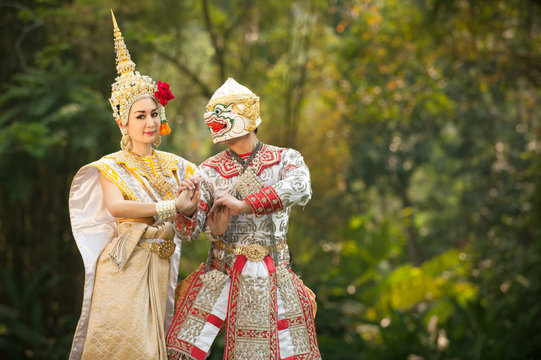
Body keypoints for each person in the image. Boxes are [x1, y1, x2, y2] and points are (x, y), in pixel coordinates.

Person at [68, 11, 198, 360]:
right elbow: (117, 208)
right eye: (140, 116)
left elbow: (198, 207)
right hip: (124, 267)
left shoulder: (178, 165)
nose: (150, 122)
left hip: (160, 268)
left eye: (153, 114)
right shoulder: (112, 165)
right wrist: (173, 207)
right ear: (122, 122)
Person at [166, 78, 321, 360]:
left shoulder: (285, 159)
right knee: (180, 351)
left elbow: (300, 187)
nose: (214, 121)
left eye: (222, 114)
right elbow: (190, 232)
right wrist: (188, 209)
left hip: (274, 270)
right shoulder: (208, 170)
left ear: (245, 115)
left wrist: (245, 205)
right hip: (222, 270)